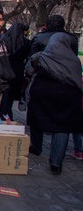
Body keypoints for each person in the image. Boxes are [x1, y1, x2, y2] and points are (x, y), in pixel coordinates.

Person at [25, 33, 83, 174]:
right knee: (61, 128)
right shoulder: (74, 60)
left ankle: (36, 147)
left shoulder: (40, 56)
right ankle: (56, 163)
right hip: (67, 96)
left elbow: (28, 71)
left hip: (42, 93)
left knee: (37, 119)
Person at [0, 22, 31, 120]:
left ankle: (3, 114)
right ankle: (8, 115)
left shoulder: (4, 40)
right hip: (18, 72)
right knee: (11, 98)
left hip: (5, 71)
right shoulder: (26, 43)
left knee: (3, 96)